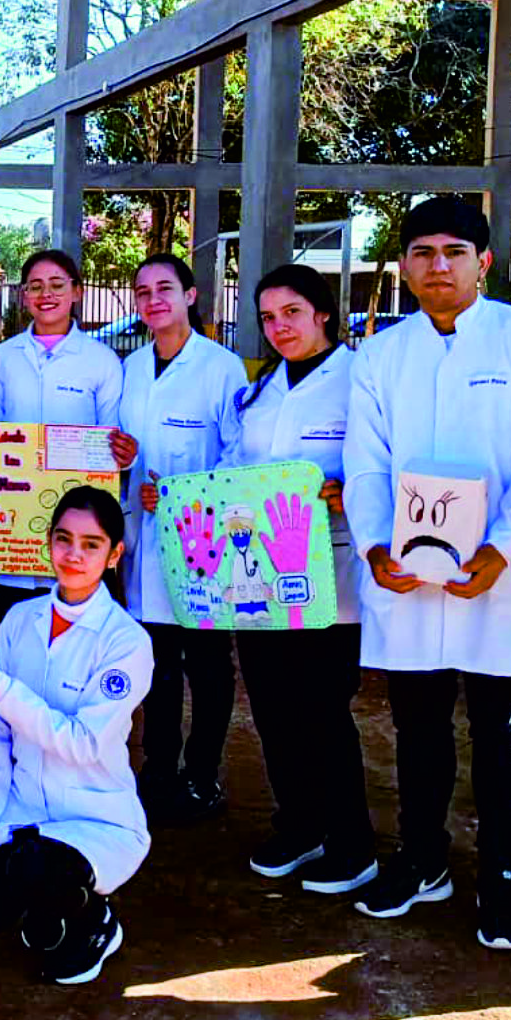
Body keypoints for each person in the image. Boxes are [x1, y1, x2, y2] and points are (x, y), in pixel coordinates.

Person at [343, 196, 511, 947]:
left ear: (484, 262)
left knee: (501, 730)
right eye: (421, 252)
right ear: (403, 265)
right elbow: (366, 459)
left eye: (452, 251)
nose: (436, 266)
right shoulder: (381, 353)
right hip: (408, 575)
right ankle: (421, 859)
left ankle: (499, 880)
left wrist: (503, 549)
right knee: (416, 725)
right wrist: (377, 545)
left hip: (501, 572)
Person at [0, 486, 153, 985]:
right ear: (48, 543)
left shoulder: (127, 641)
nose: (74, 555)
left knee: (40, 868)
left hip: (94, 817)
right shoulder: (20, 621)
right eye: (63, 539)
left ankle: (93, 922)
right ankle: (47, 902)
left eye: (91, 544)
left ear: (114, 555)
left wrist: (1, 686)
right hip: (22, 811)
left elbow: (83, 743)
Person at [223, 264, 377, 894]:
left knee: (323, 712)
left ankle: (352, 843)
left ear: (322, 314)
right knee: (273, 708)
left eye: (292, 312)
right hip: (256, 575)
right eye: (267, 317)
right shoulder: (259, 393)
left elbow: (377, 462)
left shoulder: (357, 383)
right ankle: (300, 826)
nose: (279, 327)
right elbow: (234, 467)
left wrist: (353, 491)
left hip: (327, 578)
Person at [117, 253, 247, 823]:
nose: (153, 301)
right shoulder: (130, 368)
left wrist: (180, 494)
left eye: (165, 289)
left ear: (191, 296)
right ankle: (159, 769)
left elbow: (239, 457)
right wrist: (123, 462)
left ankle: (202, 773)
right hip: (143, 538)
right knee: (158, 666)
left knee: (211, 667)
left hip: (204, 542)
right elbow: (120, 448)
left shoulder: (222, 368)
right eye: (142, 292)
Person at [0, 248, 128, 621]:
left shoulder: (101, 361)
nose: (46, 295)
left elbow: (112, 439)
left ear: (77, 292)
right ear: (23, 295)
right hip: (13, 534)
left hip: (79, 527)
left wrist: (123, 451)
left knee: (77, 632)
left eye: (57, 285)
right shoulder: (5, 358)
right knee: (17, 626)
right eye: (35, 287)